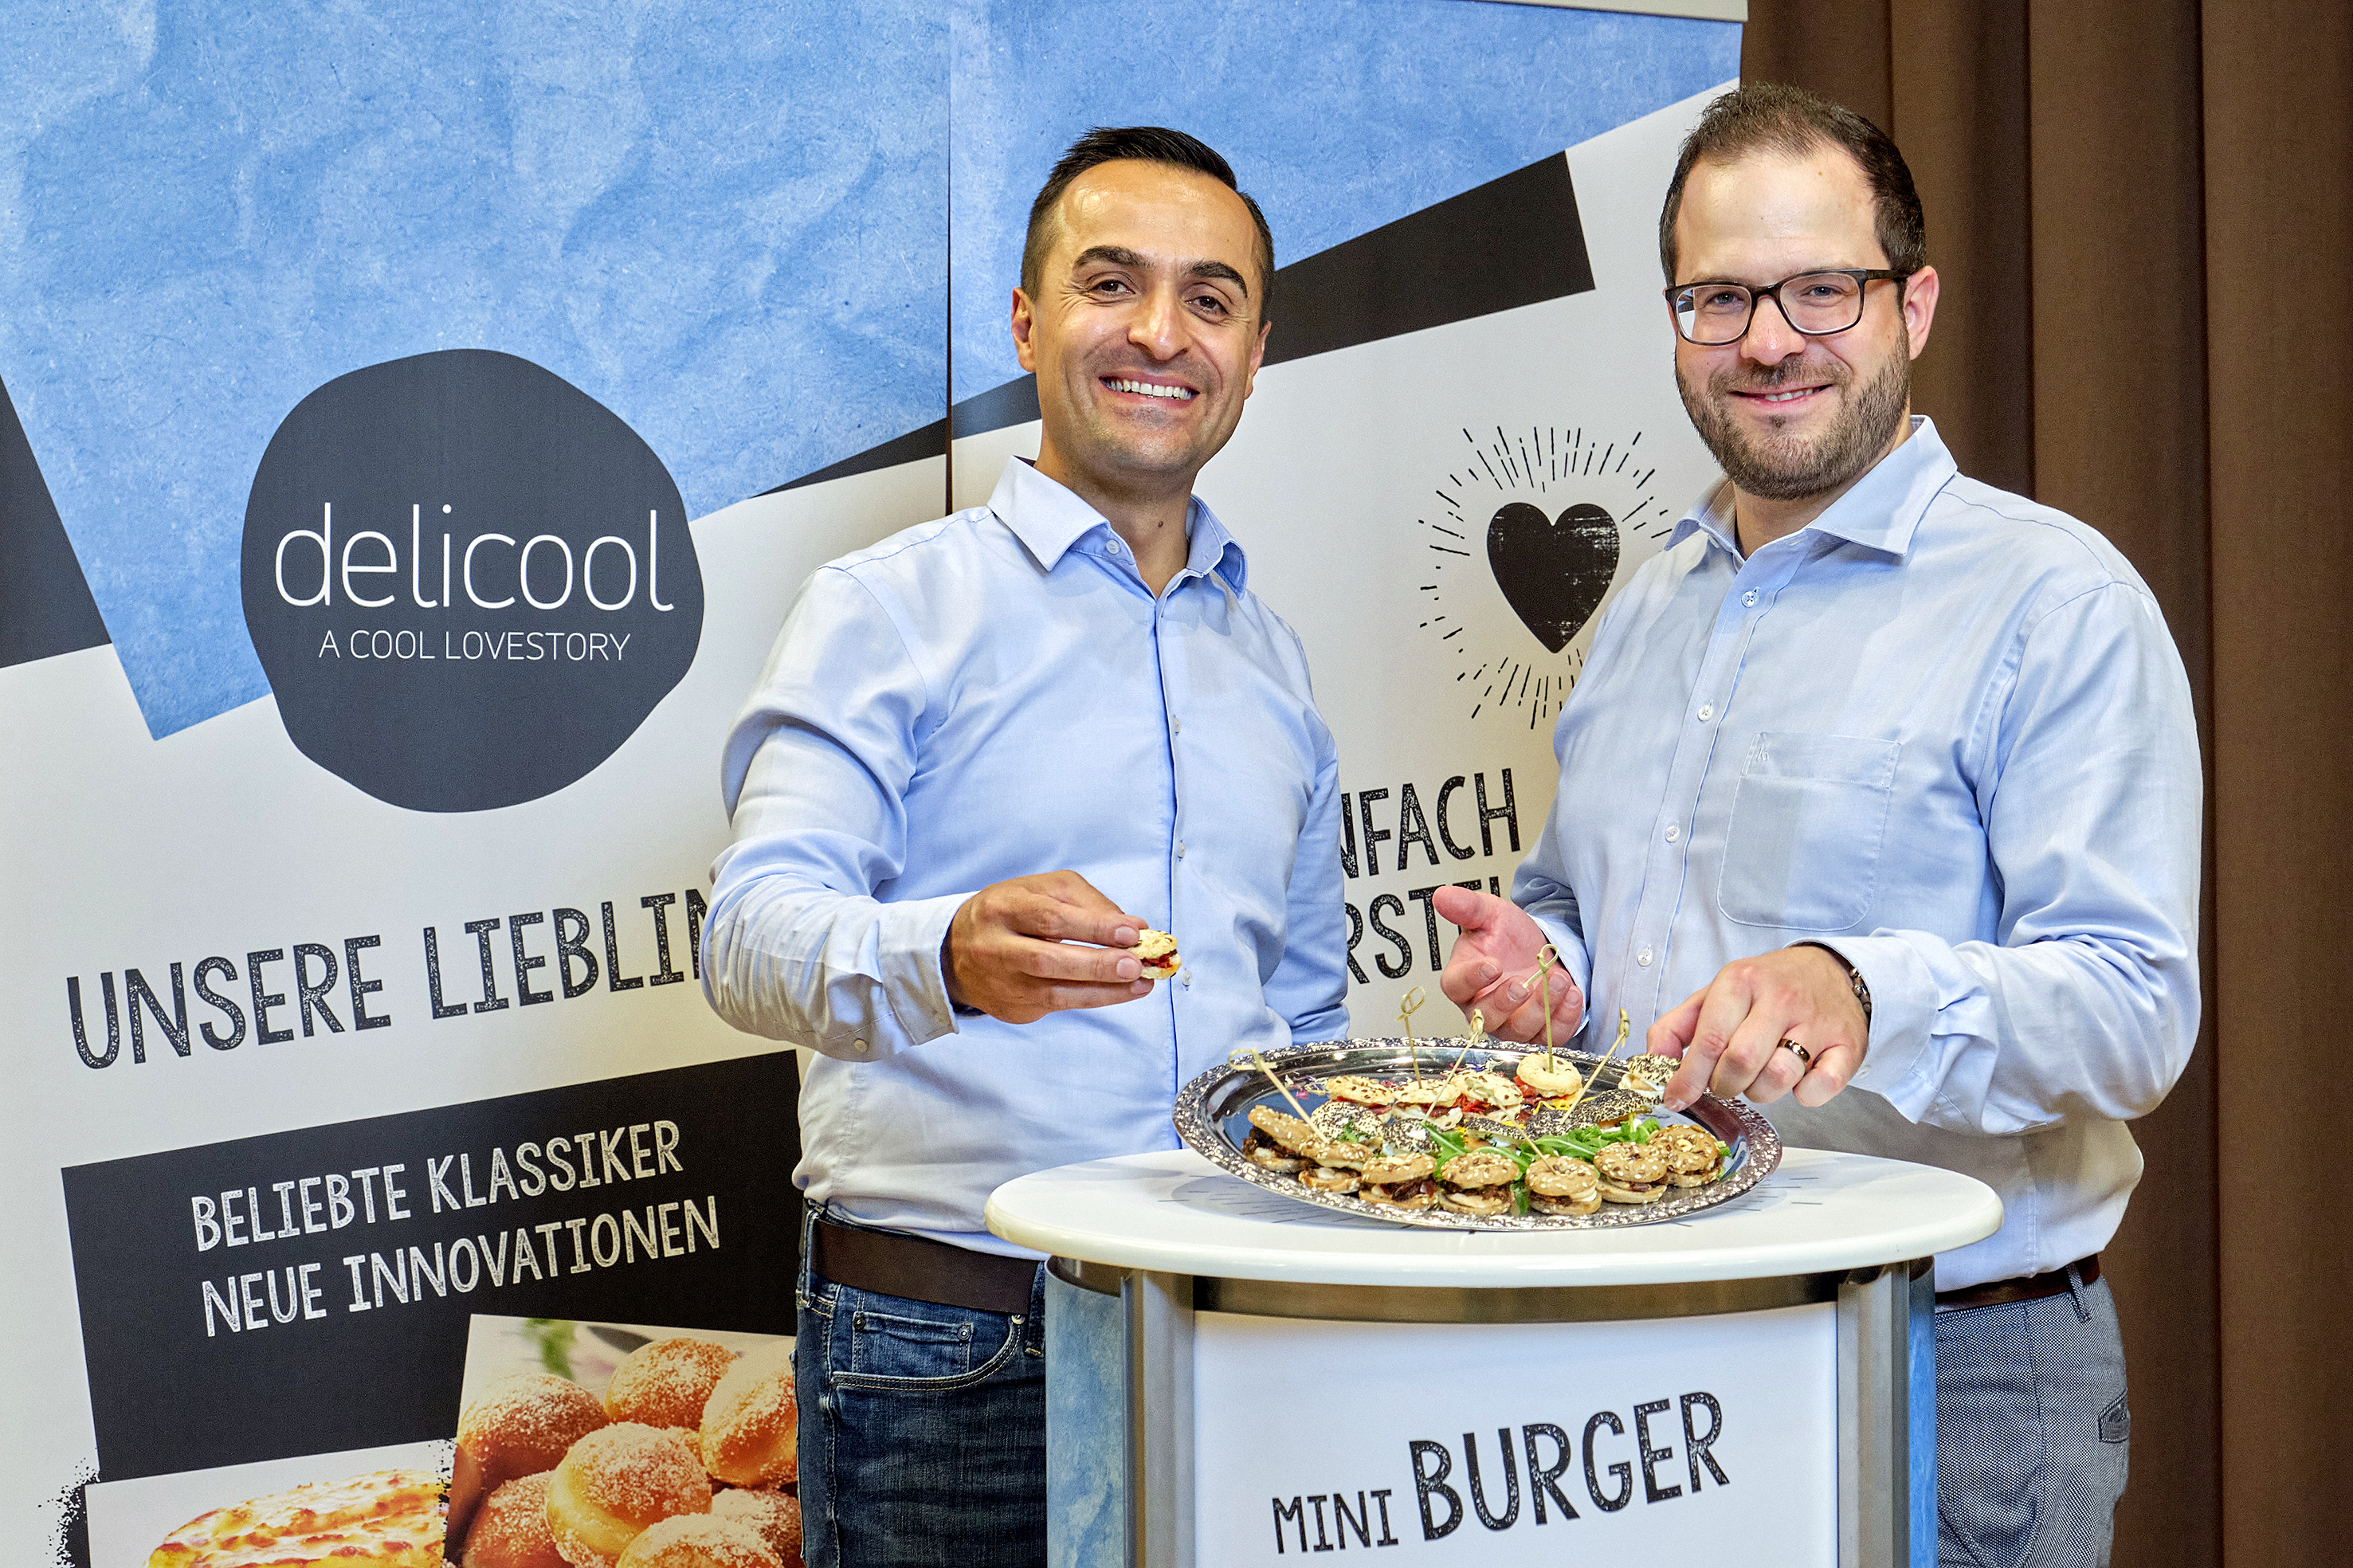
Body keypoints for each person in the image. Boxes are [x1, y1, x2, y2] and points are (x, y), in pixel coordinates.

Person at [1435, 84, 2198, 1567]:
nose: (1768, 339)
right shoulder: (1647, 601)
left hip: (1949, 1373)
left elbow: (2133, 1007)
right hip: (1634, 1356)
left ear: (1910, 302)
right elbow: (1588, 908)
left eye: (1817, 290)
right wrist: (1553, 975)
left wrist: (1857, 988)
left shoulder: (2054, 604)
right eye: (1718, 298)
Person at [700, 127, 1347, 1568]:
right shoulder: (886, 608)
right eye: (1111, 282)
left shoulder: (1278, 667)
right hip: (950, 1345)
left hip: (1237, 1336)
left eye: (1210, 298)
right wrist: (949, 955)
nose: (1160, 334)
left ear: (1252, 350)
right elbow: (747, 939)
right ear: (1026, 320)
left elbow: (1303, 1018)